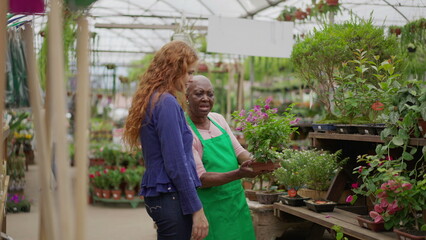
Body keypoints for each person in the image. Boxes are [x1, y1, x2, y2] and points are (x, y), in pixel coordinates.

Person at [122, 41, 208, 240]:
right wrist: (196, 209)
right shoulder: (166, 103)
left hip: (161, 195)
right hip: (171, 195)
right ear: (174, 70)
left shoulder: (153, 99)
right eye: (189, 72)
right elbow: (176, 163)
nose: (191, 79)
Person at [185, 75, 259, 240]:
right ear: (187, 97)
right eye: (199, 94)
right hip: (211, 208)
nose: (206, 98)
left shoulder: (218, 119)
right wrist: (239, 174)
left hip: (236, 202)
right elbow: (201, 179)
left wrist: (257, 161)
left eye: (210, 94)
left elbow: (239, 151)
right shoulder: (185, 130)